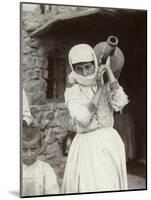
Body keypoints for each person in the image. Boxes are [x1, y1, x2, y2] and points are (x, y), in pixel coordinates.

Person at [61, 44, 129, 193]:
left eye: (88, 67)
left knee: (110, 186)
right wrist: (99, 90)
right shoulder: (73, 90)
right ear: (74, 69)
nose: (84, 73)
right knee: (91, 187)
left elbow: (120, 104)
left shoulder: (105, 82)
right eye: (79, 69)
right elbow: (83, 118)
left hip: (109, 143)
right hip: (87, 146)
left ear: (95, 64)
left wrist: (109, 72)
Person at [22, 126, 59, 196]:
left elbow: (52, 192)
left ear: (39, 148)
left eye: (33, 150)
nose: (29, 154)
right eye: (24, 150)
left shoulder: (45, 169)